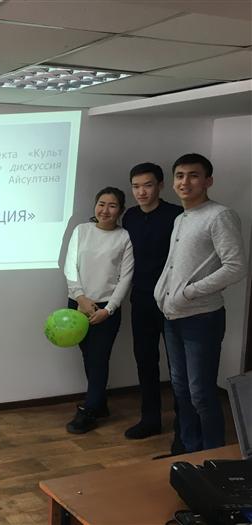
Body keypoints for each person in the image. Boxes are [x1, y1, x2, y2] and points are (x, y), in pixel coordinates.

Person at [155, 153, 246, 453]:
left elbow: (236, 267)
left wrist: (189, 292)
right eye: (180, 176)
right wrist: (162, 292)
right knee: (181, 389)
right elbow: (174, 265)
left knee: (201, 394)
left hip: (202, 318)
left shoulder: (219, 215)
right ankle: (188, 450)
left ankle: (212, 456)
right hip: (173, 316)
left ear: (208, 181)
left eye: (193, 175)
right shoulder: (181, 218)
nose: (185, 182)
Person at [122, 163, 184, 452]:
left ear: (160, 185)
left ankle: (184, 425)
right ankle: (150, 419)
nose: (141, 192)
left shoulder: (176, 215)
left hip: (171, 301)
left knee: (177, 366)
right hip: (141, 299)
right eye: (136, 187)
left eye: (147, 185)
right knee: (145, 360)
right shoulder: (130, 217)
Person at [63, 187, 134, 434]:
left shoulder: (124, 237)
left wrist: (109, 309)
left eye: (112, 205)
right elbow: (70, 266)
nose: (105, 210)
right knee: (88, 356)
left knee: (98, 359)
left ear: (120, 210)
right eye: (101, 204)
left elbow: (126, 278)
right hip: (78, 304)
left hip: (106, 310)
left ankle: (89, 410)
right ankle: (100, 403)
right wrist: (80, 297)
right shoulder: (81, 230)